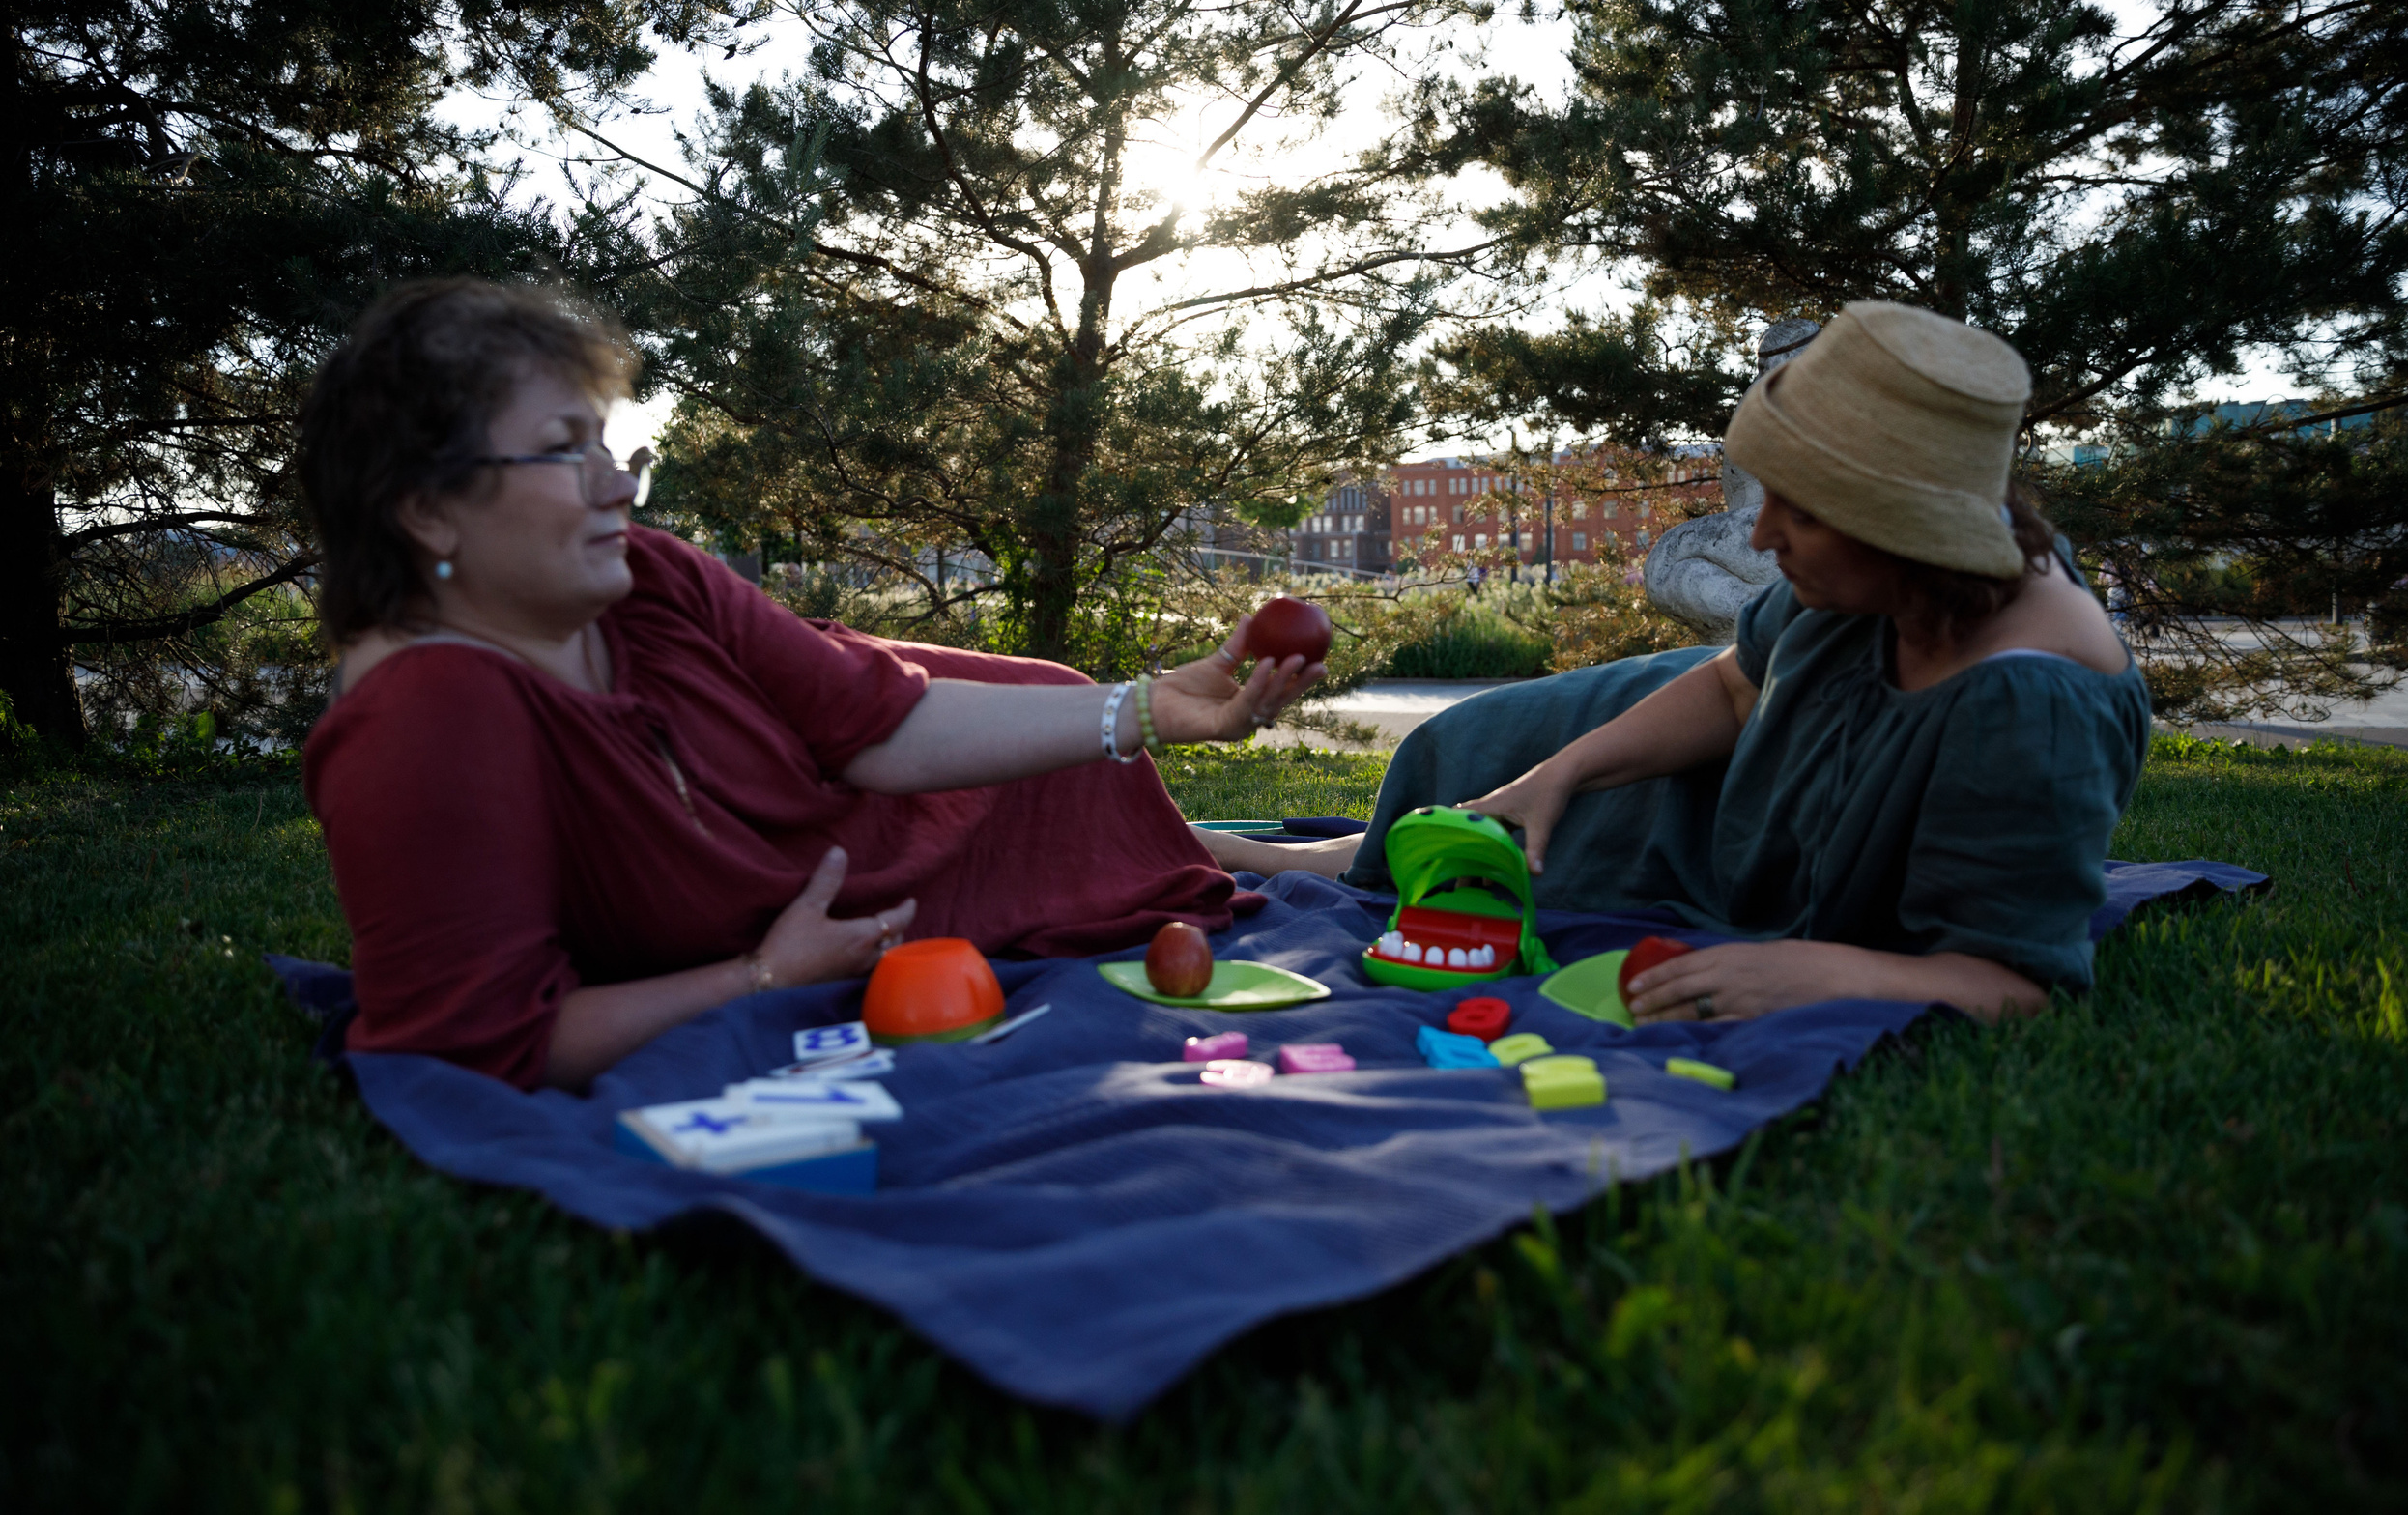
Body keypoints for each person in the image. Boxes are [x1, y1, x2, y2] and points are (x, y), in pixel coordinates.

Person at [299, 279, 1319, 1090]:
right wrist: (763, 980)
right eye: (566, 452)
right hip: (840, 887)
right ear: (427, 508)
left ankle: (1260, 850)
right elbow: (480, 1044)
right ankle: (1256, 851)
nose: (615, 485)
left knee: (1064, 713)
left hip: (855, 797)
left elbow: (878, 724)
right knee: (1064, 791)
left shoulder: (647, 576)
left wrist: (1149, 707)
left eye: (607, 444)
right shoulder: (424, 720)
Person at [1202, 302, 2149, 1025]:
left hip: (1760, 834)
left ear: (1905, 533)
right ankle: (1322, 855)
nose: (1761, 537)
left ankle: (1313, 861)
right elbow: (1736, 684)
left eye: (1800, 513)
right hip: (1729, 737)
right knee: (1469, 752)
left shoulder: (2033, 704)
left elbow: (2014, 982)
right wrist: (1562, 770)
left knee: (1528, 861)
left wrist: (1820, 971)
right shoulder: (1881, 576)